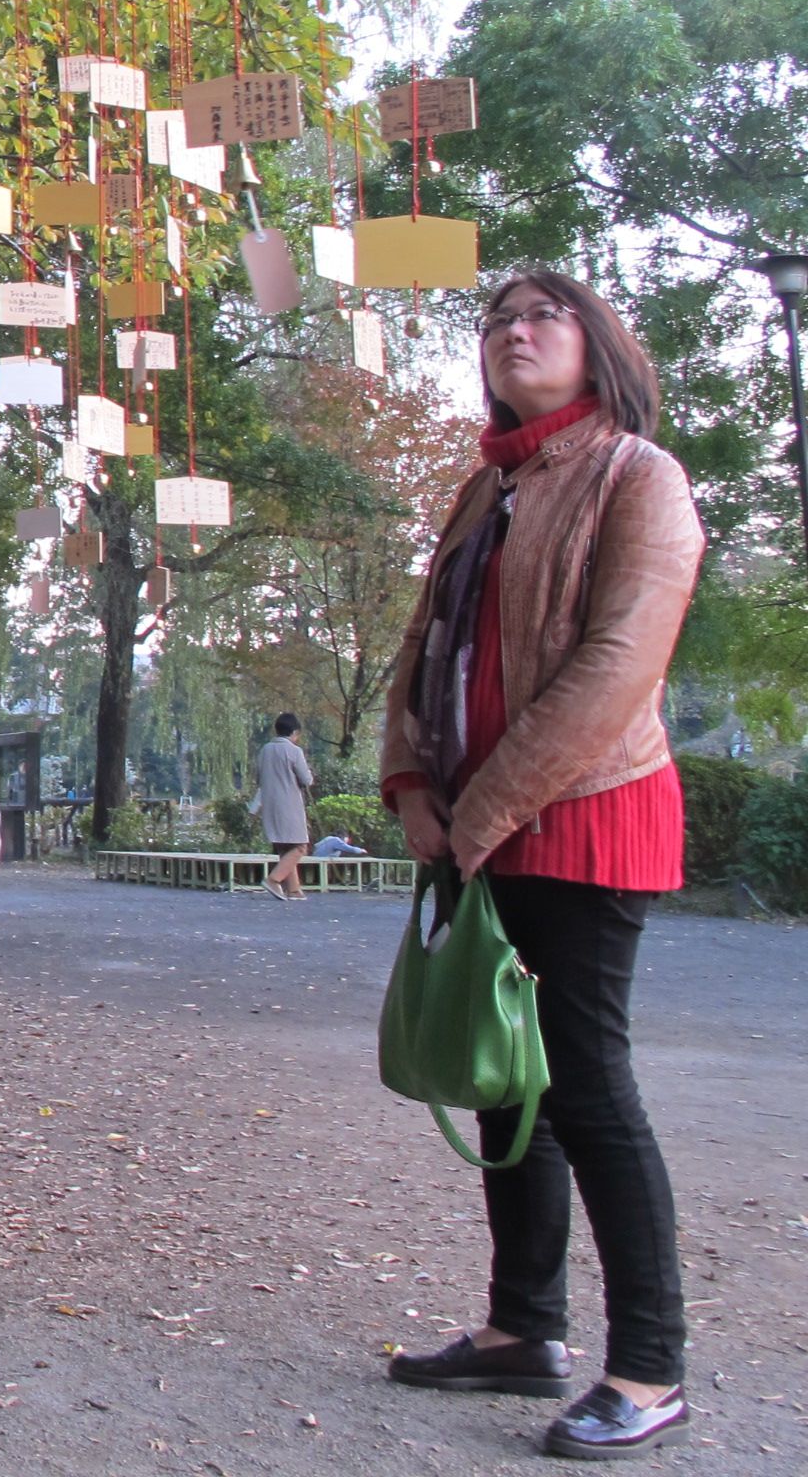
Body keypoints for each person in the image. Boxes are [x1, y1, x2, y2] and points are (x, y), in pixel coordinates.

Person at [376, 270, 703, 1462]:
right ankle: (521, 1329)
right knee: (505, 1081)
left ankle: (649, 1368)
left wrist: (485, 808)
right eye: (494, 322)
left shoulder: (636, 476)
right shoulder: (487, 488)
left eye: (539, 317)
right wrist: (410, 781)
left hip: (587, 813)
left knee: (584, 1084)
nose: (510, 334)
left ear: (593, 344)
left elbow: (618, 663)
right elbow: (423, 644)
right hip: (478, 817)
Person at [255, 714, 316, 901]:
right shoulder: (294, 751)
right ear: (295, 732)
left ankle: (294, 890)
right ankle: (274, 879)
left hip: (270, 803)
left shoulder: (265, 750)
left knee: (284, 846)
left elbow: (258, 777)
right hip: (289, 804)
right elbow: (306, 780)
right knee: (300, 846)